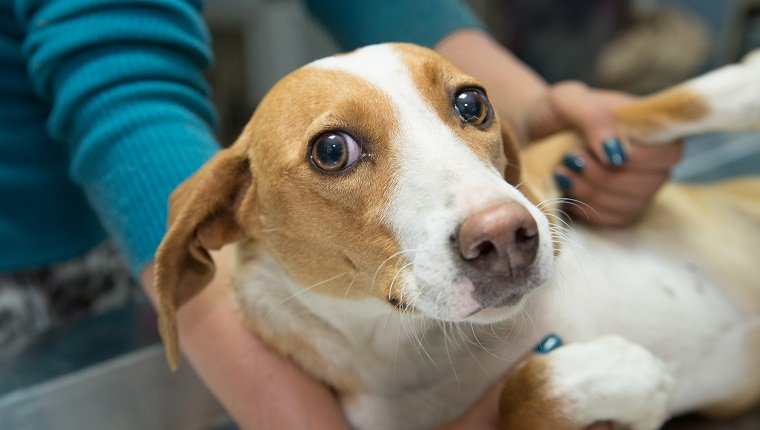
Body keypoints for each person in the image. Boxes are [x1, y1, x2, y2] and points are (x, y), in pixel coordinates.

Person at [1, 0, 681, 428]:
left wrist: (540, 110)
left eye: (471, 112)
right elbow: (122, 92)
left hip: (98, 248)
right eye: (334, 153)